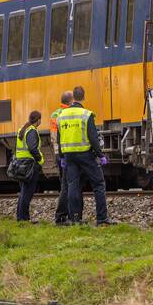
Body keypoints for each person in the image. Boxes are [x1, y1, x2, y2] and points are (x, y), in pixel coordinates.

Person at [58, 86, 115, 226]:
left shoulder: (61, 116)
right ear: (83, 97)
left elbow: (60, 139)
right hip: (85, 155)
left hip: (69, 156)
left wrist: (62, 157)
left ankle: (75, 218)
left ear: (72, 99)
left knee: (72, 186)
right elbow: (93, 138)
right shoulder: (86, 114)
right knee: (99, 184)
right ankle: (101, 219)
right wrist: (101, 155)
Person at [14, 110, 43, 223]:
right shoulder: (32, 131)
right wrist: (40, 159)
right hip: (29, 165)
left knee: (24, 192)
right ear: (38, 120)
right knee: (28, 192)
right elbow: (32, 148)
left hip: (21, 164)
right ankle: (23, 218)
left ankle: (22, 217)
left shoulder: (23, 129)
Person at [49, 90, 73, 226]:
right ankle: (62, 216)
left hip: (58, 152)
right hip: (66, 152)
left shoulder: (54, 114)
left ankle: (65, 215)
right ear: (70, 101)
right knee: (67, 185)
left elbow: (53, 136)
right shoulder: (67, 114)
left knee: (65, 184)